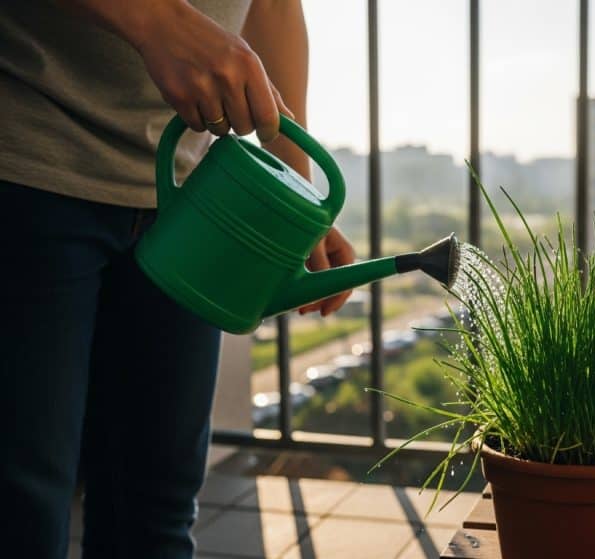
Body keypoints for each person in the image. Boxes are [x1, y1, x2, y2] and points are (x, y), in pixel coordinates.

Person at [0, 1, 354, 557]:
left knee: (156, 513)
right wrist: (158, 20)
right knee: (21, 510)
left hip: (187, 200)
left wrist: (298, 193)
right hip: (24, 164)